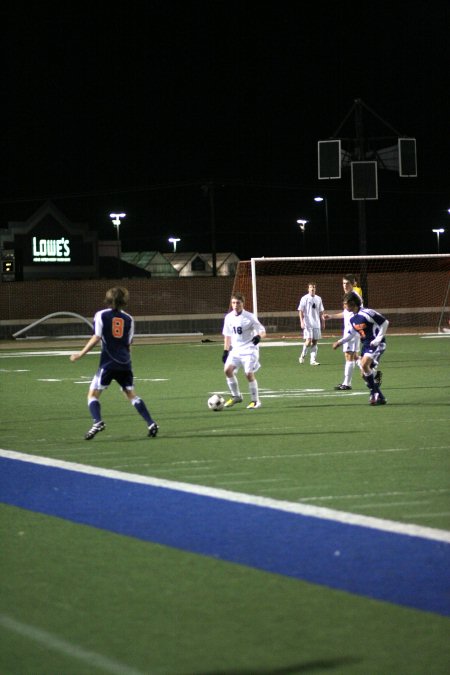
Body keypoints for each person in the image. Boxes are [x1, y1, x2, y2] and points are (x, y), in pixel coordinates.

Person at [70, 286, 159, 439]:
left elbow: (97, 337)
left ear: (108, 299)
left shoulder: (101, 315)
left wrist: (80, 354)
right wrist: (127, 362)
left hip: (108, 363)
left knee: (92, 395)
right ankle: (151, 423)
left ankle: (97, 422)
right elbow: (129, 344)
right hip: (125, 363)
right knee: (131, 395)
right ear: (124, 301)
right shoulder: (129, 319)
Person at [332, 291, 389, 405]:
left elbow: (385, 322)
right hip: (367, 345)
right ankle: (381, 397)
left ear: (352, 303)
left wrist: (378, 338)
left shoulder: (367, 313)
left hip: (377, 344)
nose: (344, 306)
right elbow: (351, 334)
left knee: (363, 365)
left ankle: (373, 393)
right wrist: (339, 342)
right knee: (364, 374)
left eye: (345, 304)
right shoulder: (353, 319)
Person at [222, 292, 266, 409]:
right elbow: (227, 335)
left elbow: (262, 330)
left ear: (243, 303)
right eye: (233, 303)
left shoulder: (249, 316)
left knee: (248, 373)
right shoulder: (229, 317)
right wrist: (226, 351)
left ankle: (255, 401)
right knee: (227, 370)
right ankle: (236, 396)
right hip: (235, 350)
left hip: (249, 349)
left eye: (238, 303)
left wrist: (259, 337)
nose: (235, 305)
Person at [324, 274, 364, 389]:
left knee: (348, 355)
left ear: (353, 284)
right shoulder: (350, 296)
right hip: (352, 330)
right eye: (343, 283)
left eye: (347, 283)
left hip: (352, 330)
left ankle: (347, 383)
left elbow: (358, 313)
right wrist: (331, 316)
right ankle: (371, 373)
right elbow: (345, 314)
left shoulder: (354, 297)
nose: (345, 285)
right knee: (355, 356)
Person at [297, 282, 325, 366]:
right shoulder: (304, 298)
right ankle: (302, 356)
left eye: (314, 287)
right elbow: (300, 311)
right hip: (308, 323)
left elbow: (321, 311)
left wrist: (323, 322)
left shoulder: (319, 299)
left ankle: (312, 360)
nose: (312, 289)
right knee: (308, 341)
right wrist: (301, 321)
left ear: (315, 289)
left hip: (316, 323)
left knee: (315, 342)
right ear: (308, 289)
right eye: (310, 287)